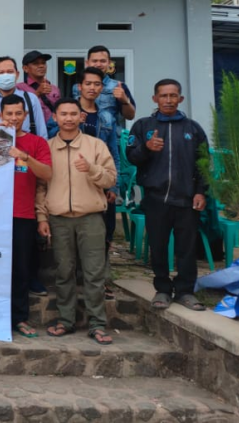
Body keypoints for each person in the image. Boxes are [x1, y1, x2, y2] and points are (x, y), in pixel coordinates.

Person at [36, 98, 116, 345]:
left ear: (81, 117)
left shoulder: (95, 145)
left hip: (90, 218)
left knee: (94, 273)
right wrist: (42, 217)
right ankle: (65, 320)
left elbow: (111, 180)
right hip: (59, 219)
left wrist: (91, 169)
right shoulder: (47, 147)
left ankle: (97, 323)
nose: (68, 118)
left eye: (73, 114)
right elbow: (40, 186)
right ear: (55, 118)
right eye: (63, 114)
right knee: (64, 272)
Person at [126, 79, 209, 312]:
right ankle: (162, 288)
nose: (169, 100)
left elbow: (204, 164)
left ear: (180, 99)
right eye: (164, 96)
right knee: (158, 245)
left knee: (187, 247)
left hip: (186, 198)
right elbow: (131, 156)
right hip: (156, 198)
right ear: (155, 99)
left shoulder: (192, 129)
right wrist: (147, 148)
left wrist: (201, 191)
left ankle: (185, 291)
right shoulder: (143, 126)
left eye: (173, 96)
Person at [0, 94, 52, 338]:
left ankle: (19, 318)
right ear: (0, 116)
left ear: (25, 116)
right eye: (8, 114)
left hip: (22, 214)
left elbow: (47, 174)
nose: (13, 118)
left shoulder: (38, 143)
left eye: (18, 113)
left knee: (21, 270)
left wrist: (25, 156)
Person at [76, 66, 120, 300]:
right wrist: (76, 122)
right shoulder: (69, 111)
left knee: (104, 233)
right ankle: (78, 281)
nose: (92, 88)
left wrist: (113, 186)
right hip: (74, 179)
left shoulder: (106, 117)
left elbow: (114, 152)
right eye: (88, 83)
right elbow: (53, 136)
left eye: (97, 84)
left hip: (101, 180)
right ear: (80, 87)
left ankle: (102, 281)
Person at [0, 57, 47, 138]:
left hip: (26, 149)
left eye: (10, 72)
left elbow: (42, 134)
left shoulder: (31, 99)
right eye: (1, 72)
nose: (6, 75)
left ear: (17, 74)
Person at [72, 45, 136, 122]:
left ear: (109, 63)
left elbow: (130, 116)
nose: (98, 64)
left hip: (108, 132)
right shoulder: (76, 87)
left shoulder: (118, 87)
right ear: (87, 63)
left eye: (103, 61)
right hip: (80, 132)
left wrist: (125, 100)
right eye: (94, 61)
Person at [17, 50, 61, 137]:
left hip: (54, 133)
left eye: (43, 63)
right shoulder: (19, 88)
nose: (41, 66)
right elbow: (18, 110)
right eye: (36, 63)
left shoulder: (54, 88)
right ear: (25, 68)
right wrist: (37, 93)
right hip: (31, 133)